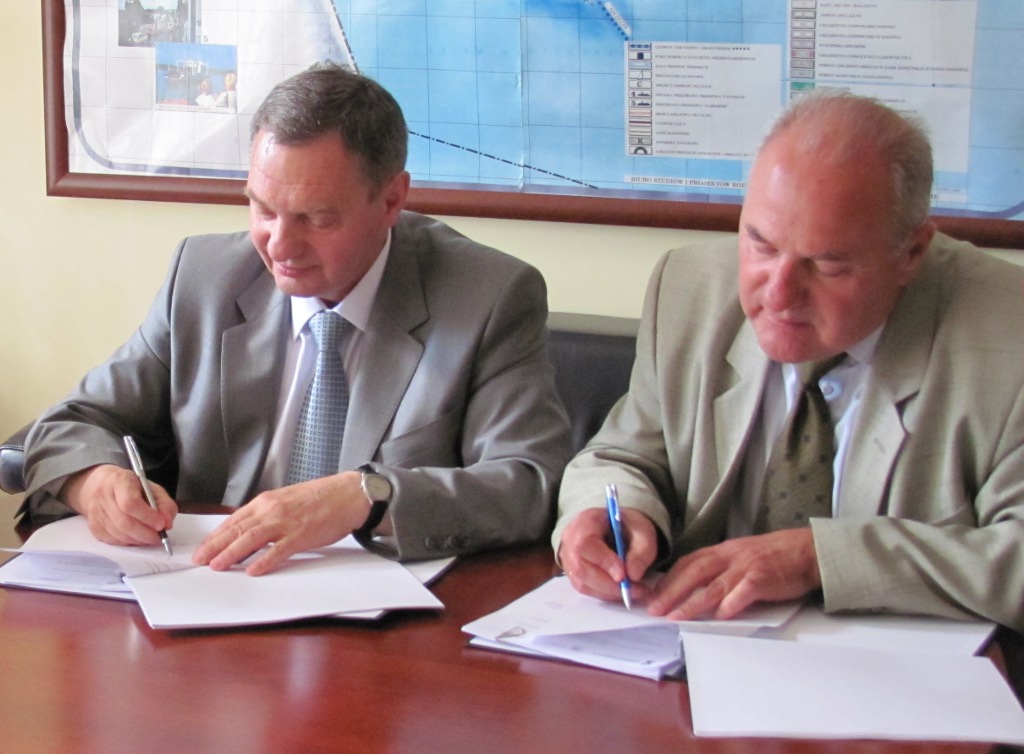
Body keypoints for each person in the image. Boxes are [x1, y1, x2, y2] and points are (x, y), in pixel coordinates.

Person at [22, 62, 572, 575]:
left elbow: (529, 483)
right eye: (263, 209)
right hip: (211, 588)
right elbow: (70, 424)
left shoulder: (487, 297)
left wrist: (367, 496)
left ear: (391, 201)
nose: (280, 245)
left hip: (378, 609)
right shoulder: (205, 278)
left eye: (316, 218)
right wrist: (93, 483)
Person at [554, 90, 1024, 632]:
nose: (778, 294)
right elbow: (623, 456)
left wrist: (818, 559)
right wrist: (607, 516)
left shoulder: (1006, 334)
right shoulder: (688, 289)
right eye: (761, 244)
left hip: (910, 669)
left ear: (912, 253)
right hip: (696, 649)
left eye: (826, 265)